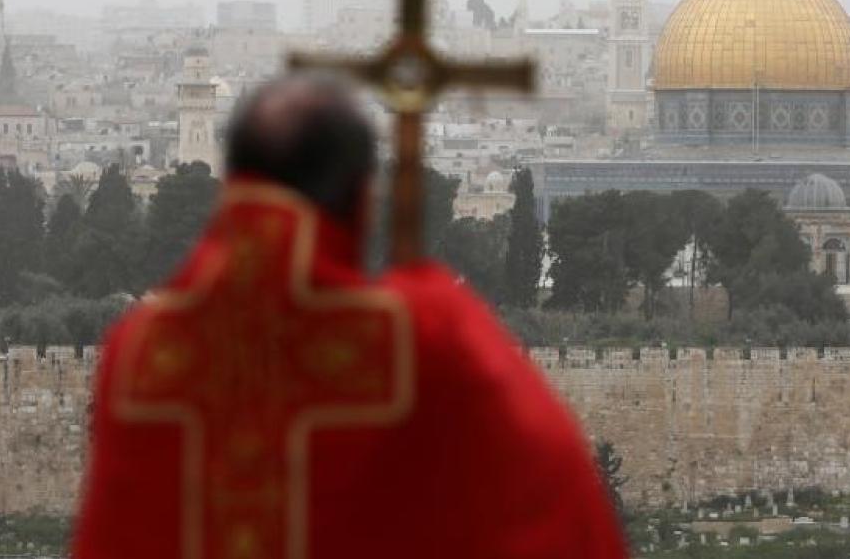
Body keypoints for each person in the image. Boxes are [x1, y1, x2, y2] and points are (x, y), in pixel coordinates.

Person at [73, 74, 626, 559]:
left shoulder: (144, 348)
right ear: (363, 202)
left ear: (230, 180)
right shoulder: (422, 335)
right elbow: (562, 521)